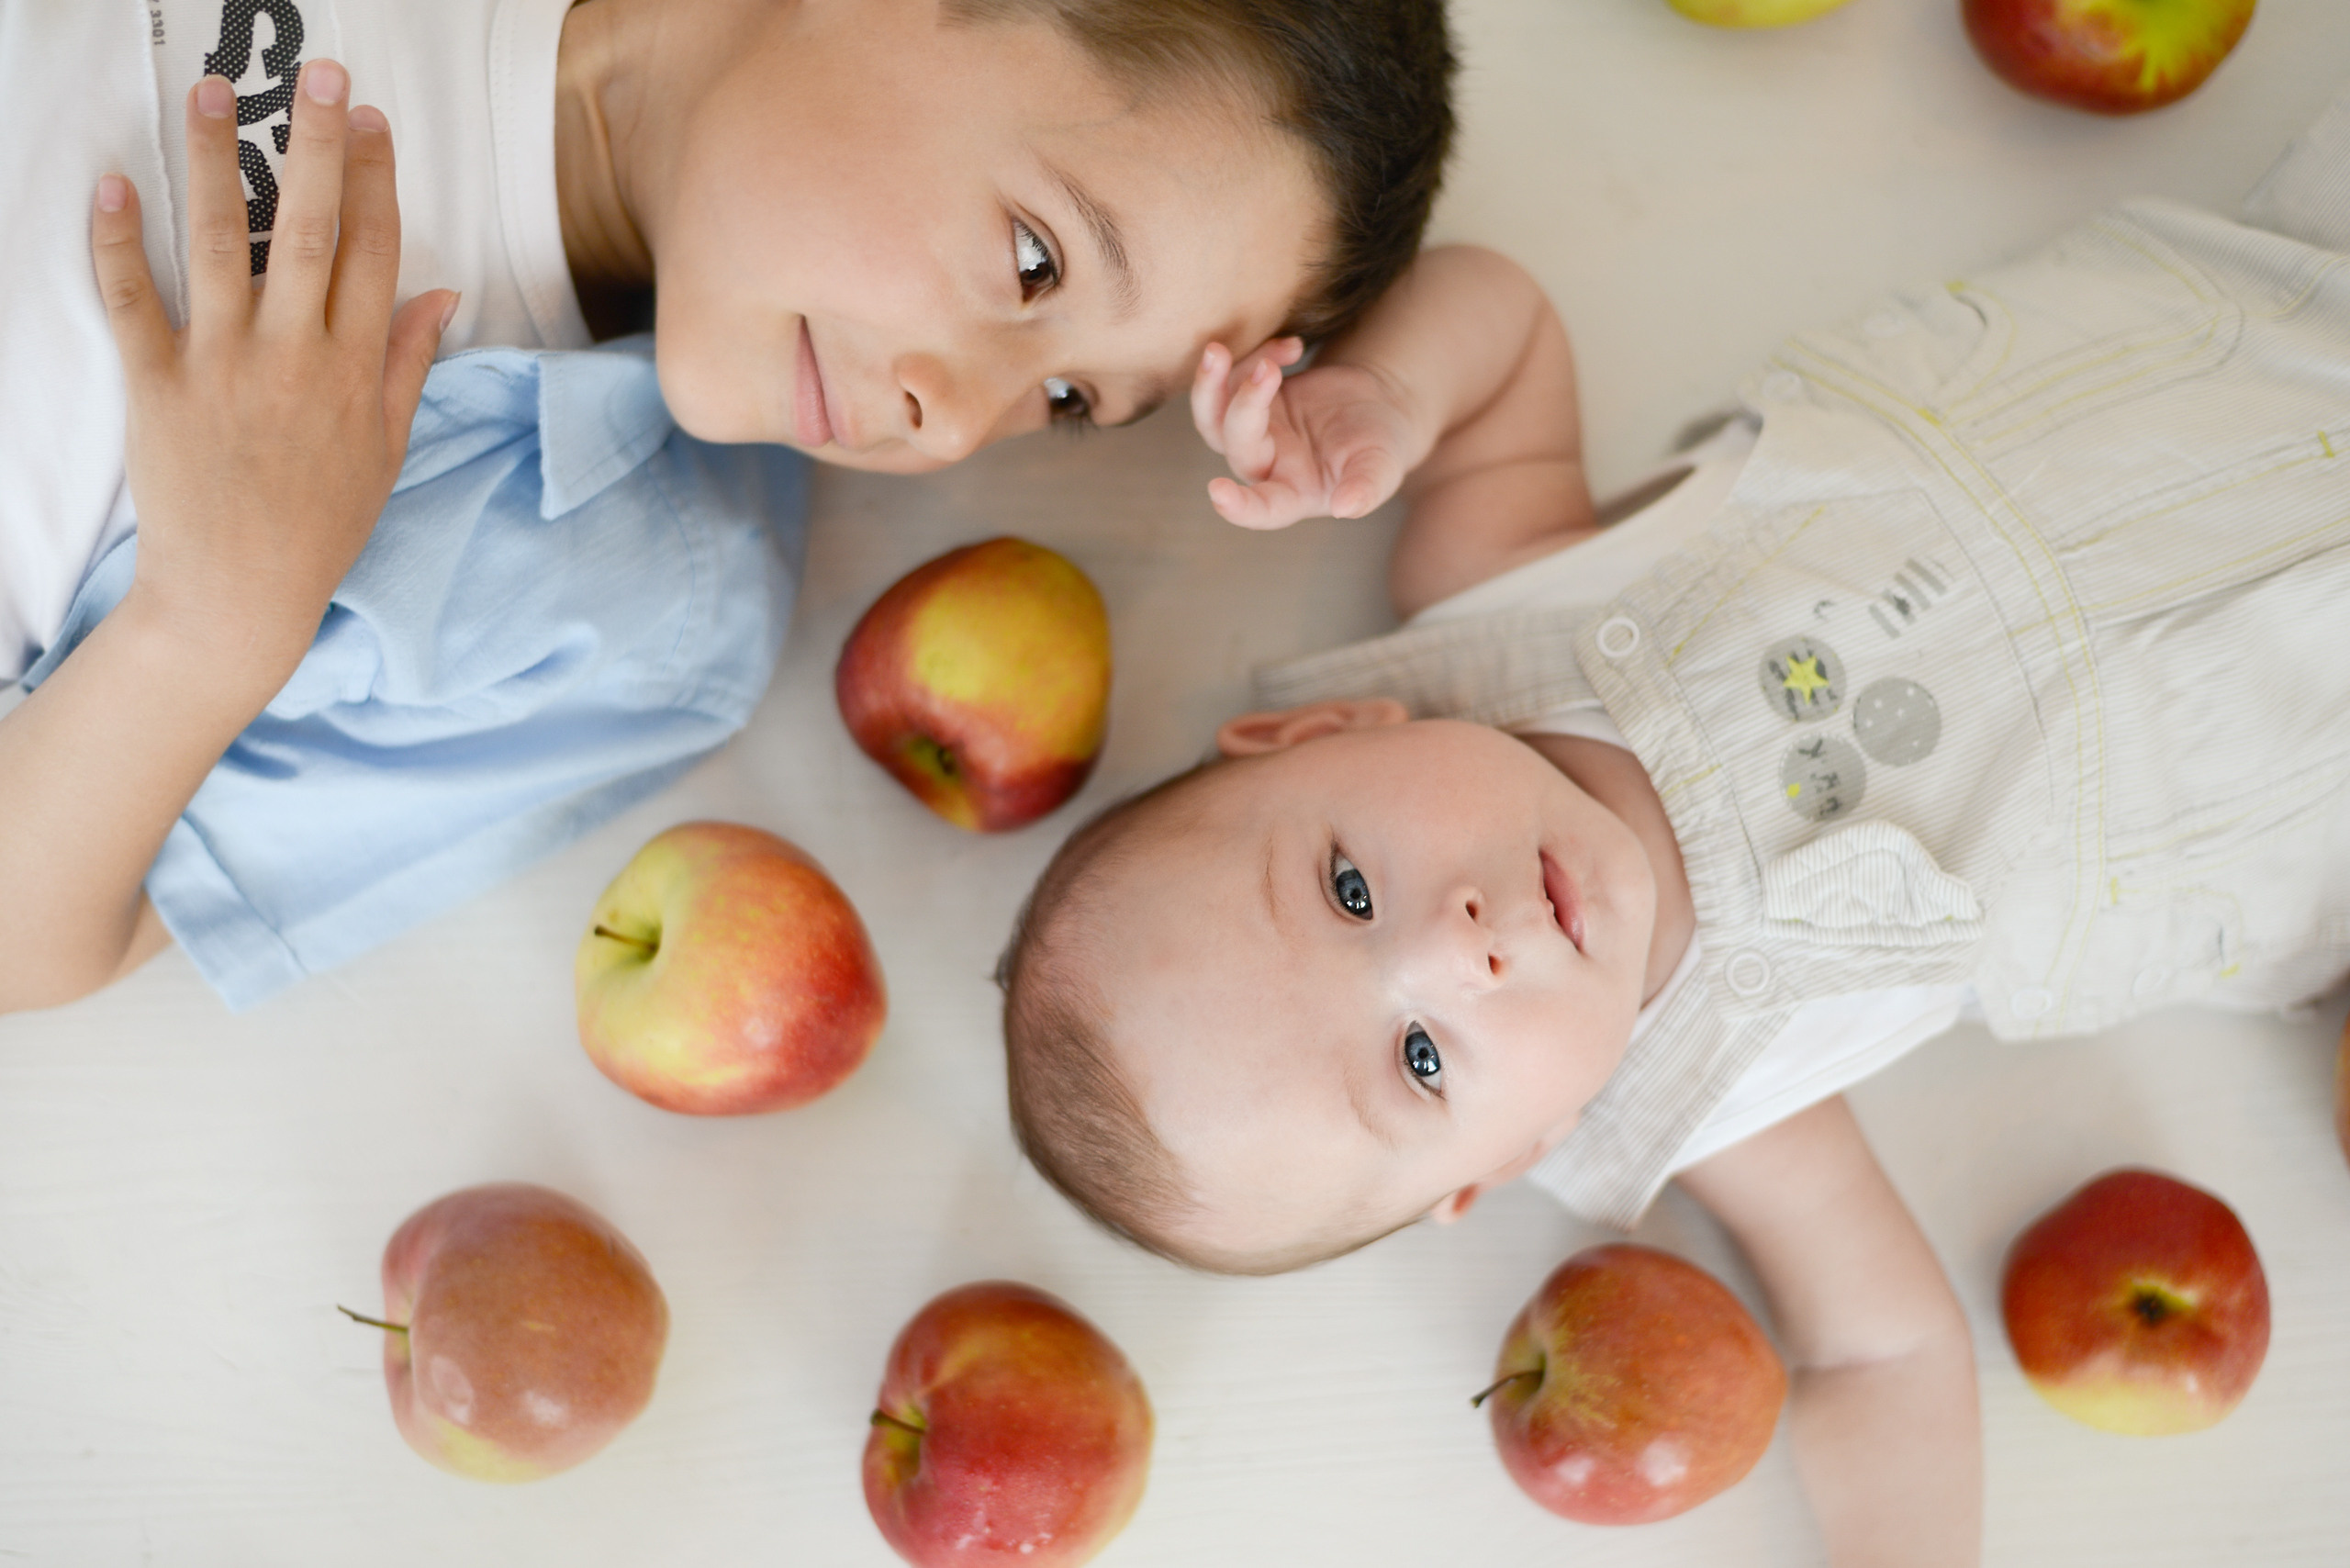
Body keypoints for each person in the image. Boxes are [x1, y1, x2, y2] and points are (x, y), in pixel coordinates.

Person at [999, 87, 2350, 1564]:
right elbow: (1877, 1351)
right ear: (1502, 1161)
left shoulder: (1493, 588)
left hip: (2231, 326)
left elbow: (1501, 324)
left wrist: (1380, 404)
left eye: (1345, 885)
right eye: (1424, 1058)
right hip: (2291, 757)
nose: (1460, 951)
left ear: (1326, 732)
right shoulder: (1722, 1096)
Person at [0, 0, 1456, 1014]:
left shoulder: (633, 608)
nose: (955, 419)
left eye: (1069, 404)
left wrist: (208, 627)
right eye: (1031, 263)